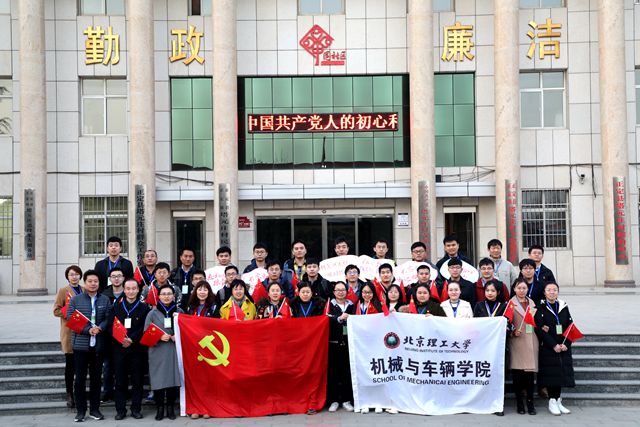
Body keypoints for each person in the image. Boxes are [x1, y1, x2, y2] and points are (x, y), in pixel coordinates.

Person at [67, 269, 112, 422]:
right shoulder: (76, 300)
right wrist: (88, 330)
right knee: (79, 379)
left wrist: (100, 328)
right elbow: (71, 320)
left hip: (98, 346)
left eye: (95, 281)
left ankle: (95, 409)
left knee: (96, 379)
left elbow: (108, 318)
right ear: (84, 283)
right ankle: (80, 411)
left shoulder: (105, 299)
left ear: (99, 283)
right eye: (90, 281)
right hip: (80, 346)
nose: (93, 284)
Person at [534, 282, 575, 416]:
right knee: (551, 374)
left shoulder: (563, 306)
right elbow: (540, 328)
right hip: (548, 347)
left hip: (562, 346)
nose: (552, 292)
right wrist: (553, 345)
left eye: (554, 290)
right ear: (544, 292)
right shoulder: (540, 307)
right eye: (549, 290)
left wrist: (566, 344)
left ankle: (558, 400)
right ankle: (552, 400)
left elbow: (570, 326)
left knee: (561, 373)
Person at [112, 278, 150, 420]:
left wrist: (132, 339)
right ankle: (120, 410)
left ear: (138, 290)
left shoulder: (144, 308)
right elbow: (111, 325)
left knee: (137, 380)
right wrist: (121, 339)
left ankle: (136, 409)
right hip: (119, 348)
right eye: (128, 289)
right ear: (124, 290)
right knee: (120, 381)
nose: (131, 291)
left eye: (134, 288)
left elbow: (144, 327)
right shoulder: (116, 307)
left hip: (137, 349)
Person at [144, 284, 183, 421]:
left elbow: (186, 330)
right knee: (158, 380)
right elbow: (146, 333)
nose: (166, 296)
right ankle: (160, 408)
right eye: (163, 294)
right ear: (159, 296)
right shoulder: (152, 313)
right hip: (157, 350)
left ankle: (170, 408)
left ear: (174, 296)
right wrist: (159, 337)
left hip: (174, 350)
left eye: (169, 294)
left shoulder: (179, 311)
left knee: (173, 379)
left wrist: (178, 336)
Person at [53, 265, 83, 409]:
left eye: (76, 274)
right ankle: (69, 393)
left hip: (83, 331)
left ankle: (80, 392)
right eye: (71, 274)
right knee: (70, 365)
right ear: (67, 277)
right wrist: (70, 313)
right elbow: (56, 310)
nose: (74, 277)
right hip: (69, 331)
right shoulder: (63, 291)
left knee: (81, 365)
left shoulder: (85, 290)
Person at [508, 278, 539, 415]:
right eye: (519, 288)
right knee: (518, 376)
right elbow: (506, 323)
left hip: (531, 340)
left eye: (524, 288)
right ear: (514, 289)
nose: (521, 290)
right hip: (517, 341)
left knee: (530, 376)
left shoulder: (532, 303)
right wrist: (513, 331)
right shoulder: (510, 304)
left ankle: (530, 403)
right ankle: (520, 403)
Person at [326, 281, 356, 413]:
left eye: (343, 290)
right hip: (333, 343)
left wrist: (351, 317)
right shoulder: (329, 305)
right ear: (334, 292)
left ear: (347, 291)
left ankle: (346, 400)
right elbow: (327, 319)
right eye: (338, 290)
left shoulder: (352, 305)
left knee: (347, 373)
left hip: (349, 344)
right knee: (333, 373)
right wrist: (338, 318)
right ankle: (333, 401)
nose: (340, 292)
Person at [101, 267, 126, 402]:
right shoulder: (104, 295)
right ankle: (107, 391)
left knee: (123, 367)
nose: (116, 279)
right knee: (108, 366)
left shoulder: (128, 293)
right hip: (108, 336)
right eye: (114, 276)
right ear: (110, 279)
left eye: (119, 276)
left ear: (123, 278)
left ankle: (122, 392)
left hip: (125, 335)